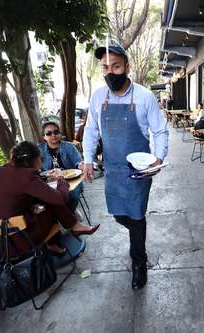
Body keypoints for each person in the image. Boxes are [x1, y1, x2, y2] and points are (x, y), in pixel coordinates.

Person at [82, 41, 169, 290]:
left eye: (116, 66)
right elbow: (90, 130)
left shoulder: (144, 96)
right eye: (105, 67)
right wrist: (88, 158)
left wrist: (159, 157)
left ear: (127, 66)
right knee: (120, 214)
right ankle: (136, 234)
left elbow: (160, 130)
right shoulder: (98, 97)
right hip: (113, 169)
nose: (110, 72)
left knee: (136, 214)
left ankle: (138, 262)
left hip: (139, 170)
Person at [0, 141, 99, 257]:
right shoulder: (26, 176)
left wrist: (44, 179)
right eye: (40, 159)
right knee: (51, 204)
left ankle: (57, 241)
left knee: (45, 201)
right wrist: (61, 179)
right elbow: (60, 198)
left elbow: (14, 189)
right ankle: (71, 229)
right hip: (17, 241)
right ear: (35, 159)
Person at [38, 122, 84, 212]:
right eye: (49, 133)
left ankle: (70, 213)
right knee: (43, 197)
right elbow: (36, 168)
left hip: (71, 180)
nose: (53, 135)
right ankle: (64, 216)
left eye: (56, 132)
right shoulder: (39, 149)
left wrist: (82, 165)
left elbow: (78, 162)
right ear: (44, 137)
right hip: (50, 181)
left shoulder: (69, 146)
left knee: (73, 195)